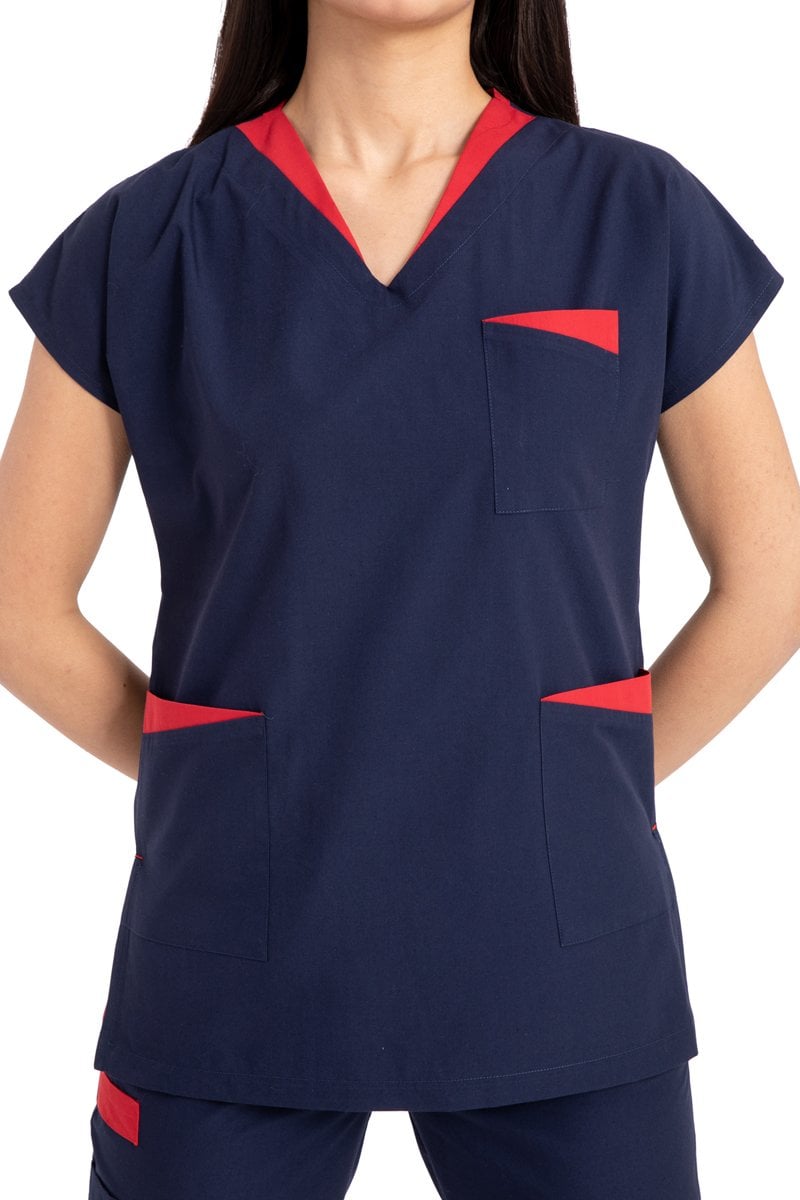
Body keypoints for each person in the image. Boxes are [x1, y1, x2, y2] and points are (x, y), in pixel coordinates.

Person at [2, 1, 797, 1197]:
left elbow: (772, 577)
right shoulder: (150, 242)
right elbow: (17, 604)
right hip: (237, 946)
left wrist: (578, 780)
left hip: (558, 952)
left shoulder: (637, 216)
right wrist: (219, 778)